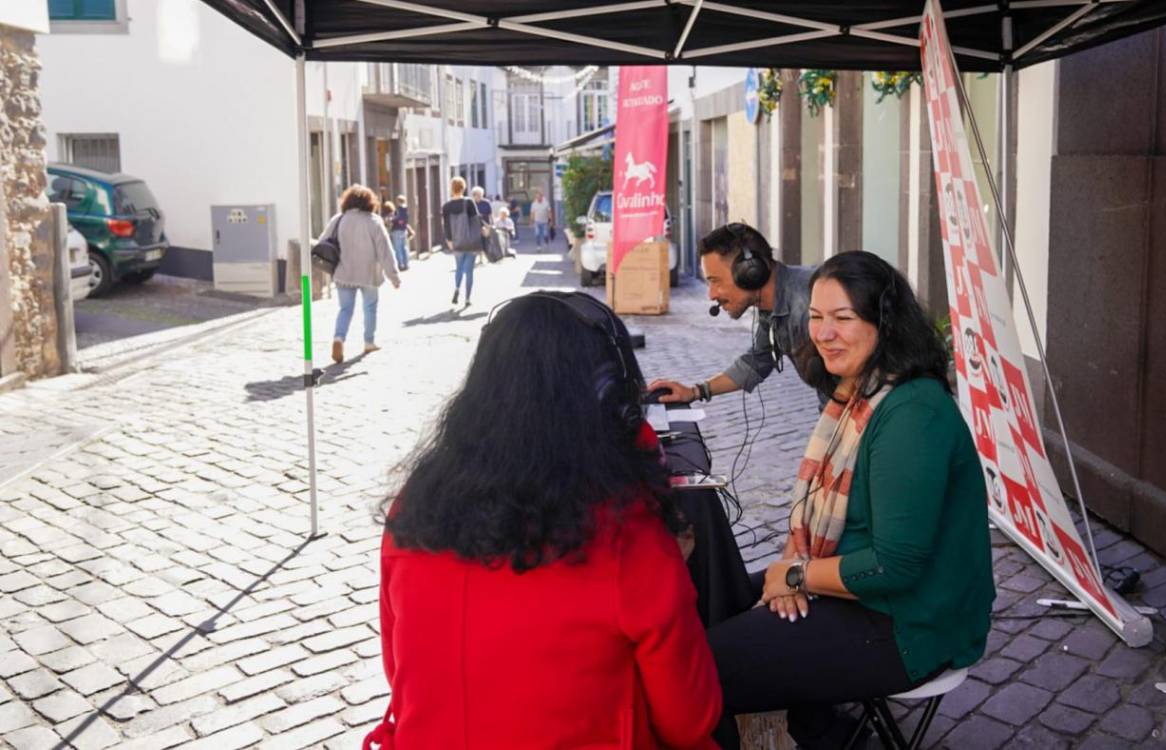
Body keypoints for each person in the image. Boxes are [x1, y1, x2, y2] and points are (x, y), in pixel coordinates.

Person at [363, 291, 722, 749]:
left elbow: (401, 672)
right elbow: (690, 719)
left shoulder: (413, 506)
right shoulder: (628, 534)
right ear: (609, 397)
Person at [706, 251, 995, 749]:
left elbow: (896, 568)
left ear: (884, 322)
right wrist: (796, 567)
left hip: (911, 622)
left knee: (697, 670)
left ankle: (814, 724)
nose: (823, 333)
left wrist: (796, 574)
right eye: (816, 317)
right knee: (716, 596)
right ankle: (824, 730)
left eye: (843, 318)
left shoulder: (912, 413)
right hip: (854, 584)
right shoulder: (859, 389)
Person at [648, 223, 817, 406]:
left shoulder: (809, 302)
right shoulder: (772, 305)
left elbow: (847, 384)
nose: (711, 295)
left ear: (750, 272)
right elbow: (755, 362)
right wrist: (695, 392)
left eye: (716, 281)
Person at [321, 185, 400, 364]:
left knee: (345, 309)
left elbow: (322, 242)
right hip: (369, 274)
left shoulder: (338, 219)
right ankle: (369, 342)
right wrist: (393, 276)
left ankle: (338, 339)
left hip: (343, 272)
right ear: (369, 202)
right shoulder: (374, 221)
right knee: (370, 307)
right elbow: (385, 251)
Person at [441, 177, 483, 306]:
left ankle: (457, 288)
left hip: (456, 241)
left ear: (451, 188)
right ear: (463, 188)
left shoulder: (446, 206)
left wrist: (449, 240)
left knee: (459, 268)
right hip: (471, 242)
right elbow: (476, 221)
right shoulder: (469, 202)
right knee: (469, 271)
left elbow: (446, 225)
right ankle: (467, 299)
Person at [390, 195, 412, 271]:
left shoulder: (399, 209)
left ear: (398, 201)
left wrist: (392, 219)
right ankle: (406, 263)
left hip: (397, 230)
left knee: (398, 248)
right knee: (404, 247)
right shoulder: (406, 209)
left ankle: (401, 264)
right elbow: (405, 220)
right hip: (403, 230)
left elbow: (398, 218)